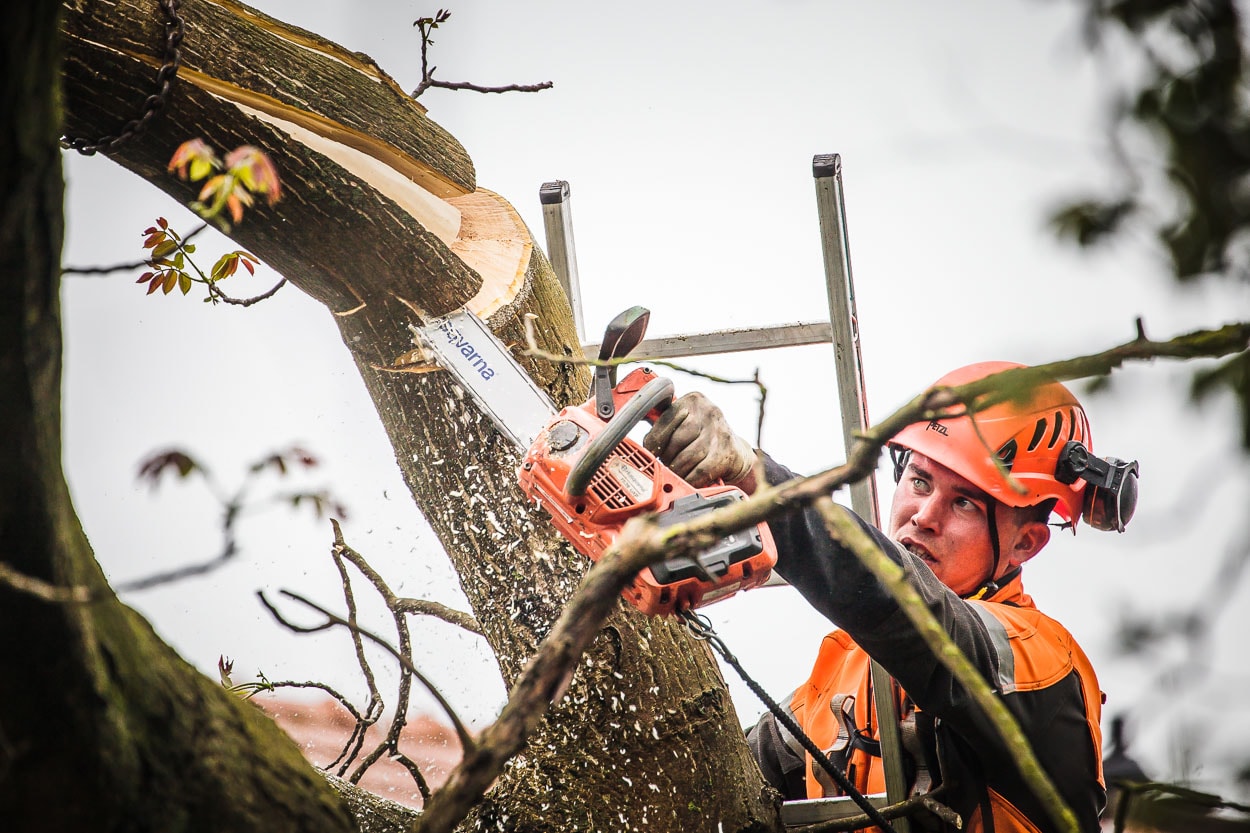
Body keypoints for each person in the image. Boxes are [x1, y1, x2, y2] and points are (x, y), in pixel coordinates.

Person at [643, 361, 1138, 833]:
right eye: (919, 481)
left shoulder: (1038, 659)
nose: (924, 515)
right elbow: (726, 776)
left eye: (964, 502)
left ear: (1024, 543)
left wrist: (755, 479)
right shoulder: (843, 675)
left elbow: (907, 609)